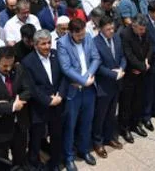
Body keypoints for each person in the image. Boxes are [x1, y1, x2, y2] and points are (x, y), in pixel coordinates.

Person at [57, 18, 100, 171]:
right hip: (73, 91)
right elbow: (66, 68)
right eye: (78, 36)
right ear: (70, 32)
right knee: (70, 125)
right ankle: (68, 157)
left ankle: (84, 150)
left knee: (87, 122)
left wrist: (88, 76)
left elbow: (96, 58)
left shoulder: (88, 36)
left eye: (83, 34)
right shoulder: (62, 43)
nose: (82, 38)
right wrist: (83, 81)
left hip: (88, 88)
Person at [22, 30, 66, 171]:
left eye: (48, 43)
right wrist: (48, 100)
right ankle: (34, 163)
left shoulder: (56, 54)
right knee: (36, 137)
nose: (47, 46)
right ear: (35, 45)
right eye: (43, 44)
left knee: (56, 134)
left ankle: (55, 161)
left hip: (57, 103)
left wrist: (60, 95)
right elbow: (31, 87)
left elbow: (64, 77)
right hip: (39, 107)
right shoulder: (28, 62)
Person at [91, 16, 125, 154]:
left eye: (112, 28)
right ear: (100, 29)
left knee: (111, 113)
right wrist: (114, 74)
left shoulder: (116, 38)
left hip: (116, 83)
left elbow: (122, 56)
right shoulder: (95, 43)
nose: (111, 31)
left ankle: (109, 137)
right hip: (103, 86)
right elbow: (97, 66)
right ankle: (97, 141)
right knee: (100, 115)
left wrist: (122, 68)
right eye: (108, 29)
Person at [119, 14, 151, 140]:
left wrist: (147, 61)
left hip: (142, 72)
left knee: (138, 100)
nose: (143, 32)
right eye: (141, 30)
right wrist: (142, 66)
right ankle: (124, 128)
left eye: (144, 29)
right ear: (134, 26)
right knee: (126, 103)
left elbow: (150, 46)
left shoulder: (145, 31)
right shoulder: (125, 34)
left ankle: (135, 124)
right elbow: (128, 55)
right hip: (130, 74)